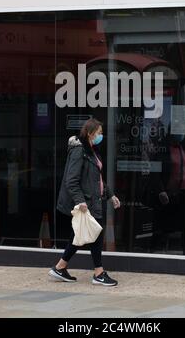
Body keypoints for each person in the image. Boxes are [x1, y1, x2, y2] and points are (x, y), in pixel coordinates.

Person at [49, 118, 121, 286]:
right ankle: (99, 273)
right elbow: (71, 180)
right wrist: (80, 201)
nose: (101, 136)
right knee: (95, 233)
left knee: (81, 235)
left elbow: (97, 179)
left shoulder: (91, 150)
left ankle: (60, 267)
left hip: (93, 199)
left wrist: (110, 195)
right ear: (90, 133)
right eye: (99, 133)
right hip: (87, 202)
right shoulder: (78, 151)